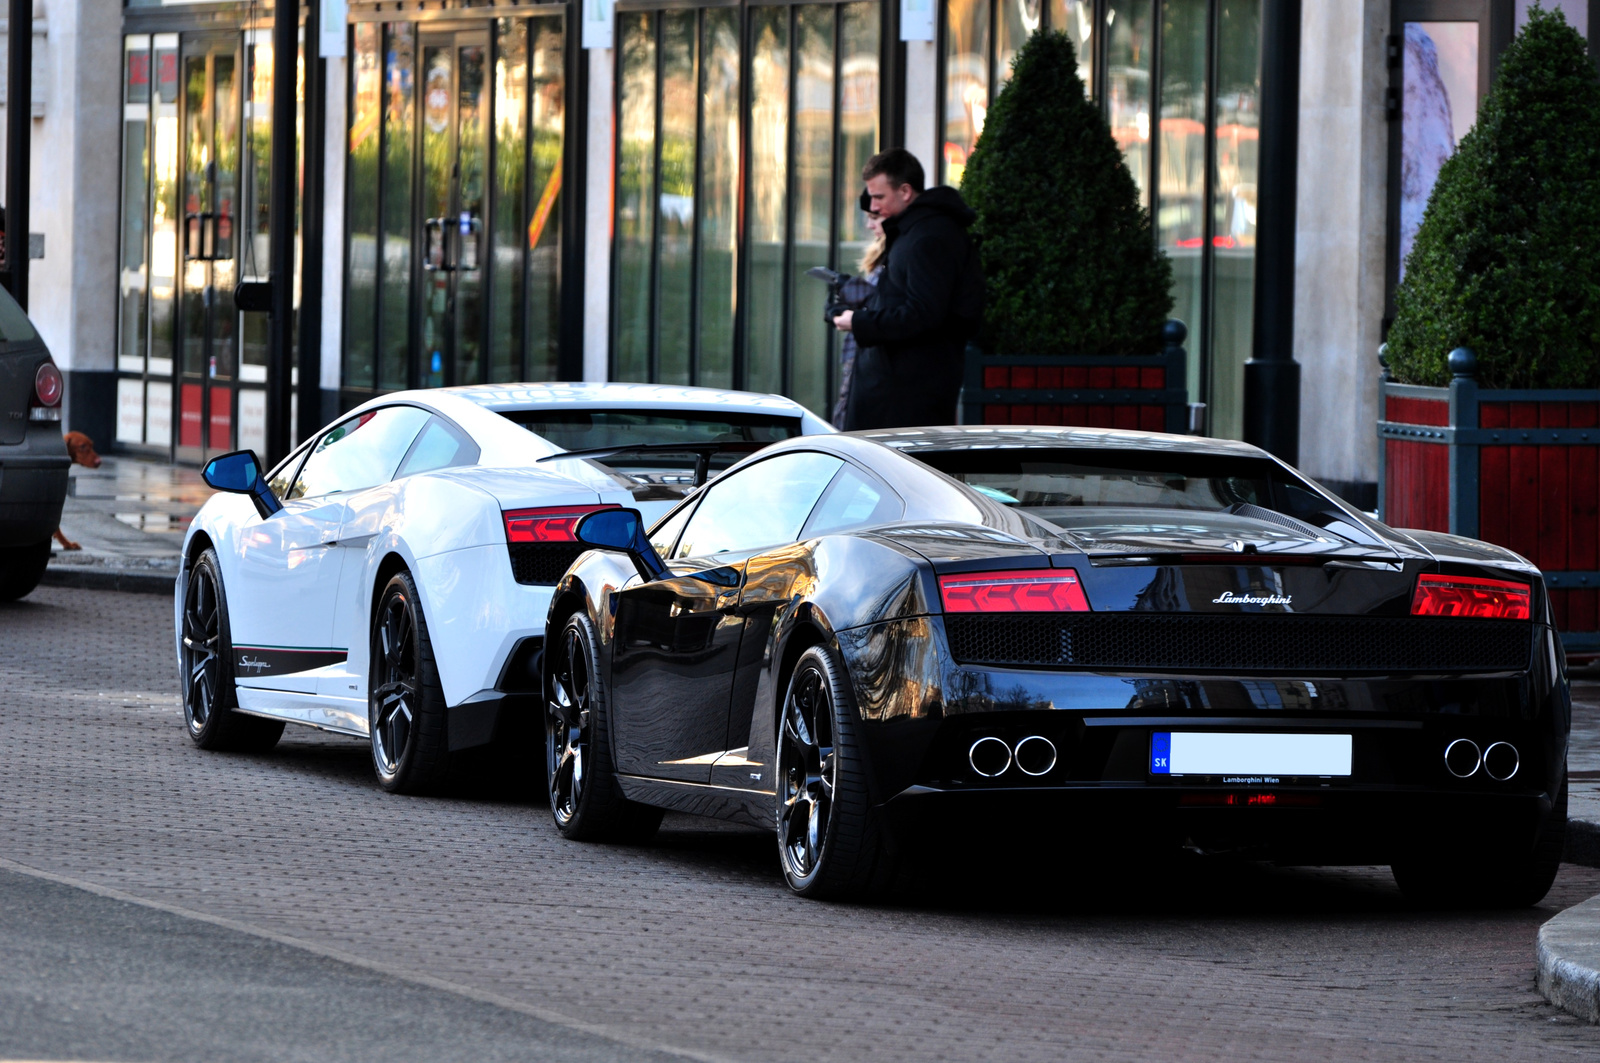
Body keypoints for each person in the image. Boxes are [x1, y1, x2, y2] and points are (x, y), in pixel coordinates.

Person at [833, 148, 982, 430]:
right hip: (900, 391)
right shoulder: (918, 232)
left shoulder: (927, 237)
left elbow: (923, 313)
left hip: (905, 398)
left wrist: (859, 321)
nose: (873, 207)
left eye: (879, 197)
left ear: (904, 191)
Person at [831, 213, 885, 427]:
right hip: (860, 346)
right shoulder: (881, 255)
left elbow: (878, 304)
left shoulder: (894, 258)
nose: (869, 225)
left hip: (870, 350)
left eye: (875, 217)